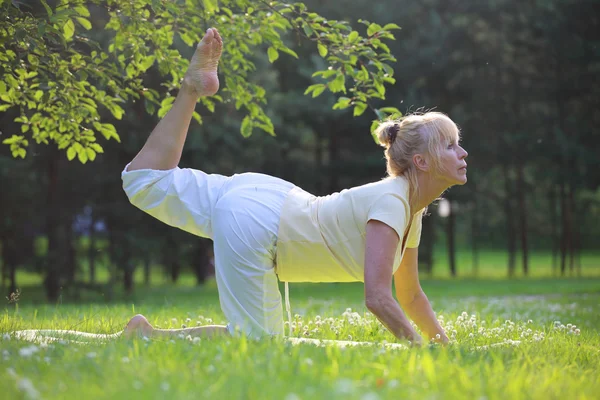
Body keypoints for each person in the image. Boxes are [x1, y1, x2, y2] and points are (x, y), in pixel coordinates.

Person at [121, 27, 468, 346]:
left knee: (144, 181)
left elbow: (409, 295)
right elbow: (377, 297)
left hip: (268, 200)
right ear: (421, 161)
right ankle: (149, 338)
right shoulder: (393, 203)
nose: (462, 153)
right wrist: (418, 349)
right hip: (260, 222)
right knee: (259, 345)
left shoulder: (411, 210)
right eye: (450, 146)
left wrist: (444, 347)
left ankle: (191, 88)